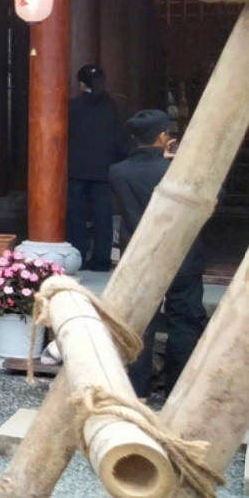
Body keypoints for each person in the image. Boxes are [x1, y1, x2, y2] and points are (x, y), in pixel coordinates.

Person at [109, 109, 207, 397]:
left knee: (140, 324)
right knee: (184, 322)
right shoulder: (178, 171)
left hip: (139, 257)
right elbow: (215, 195)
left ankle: (139, 388)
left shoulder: (118, 171)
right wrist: (178, 162)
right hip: (182, 255)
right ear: (163, 137)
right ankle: (177, 391)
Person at [67, 64, 125, 271]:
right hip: (104, 169)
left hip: (75, 169)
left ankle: (77, 257)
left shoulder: (72, 107)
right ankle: (101, 260)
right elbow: (120, 140)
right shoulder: (113, 107)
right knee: (103, 216)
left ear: (81, 84)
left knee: (76, 216)